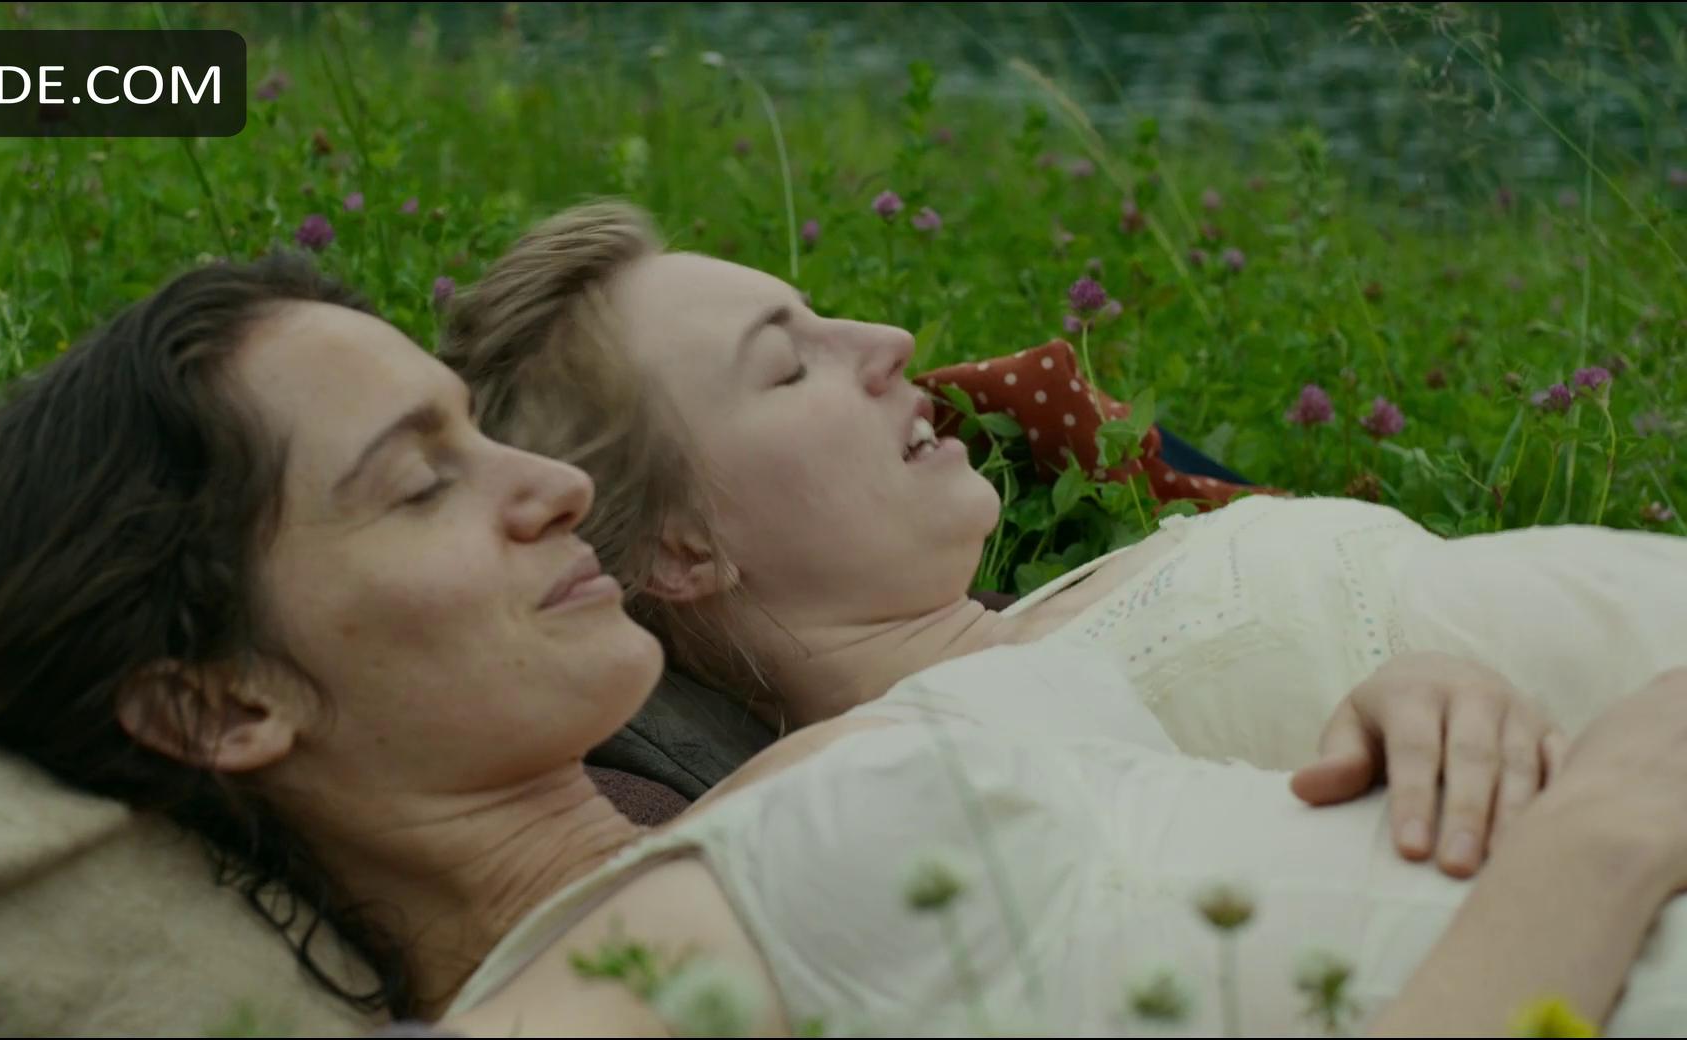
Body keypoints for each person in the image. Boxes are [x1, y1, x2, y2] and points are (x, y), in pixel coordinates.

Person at [0, 253, 1687, 1036]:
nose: (551, 492)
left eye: (487, 435)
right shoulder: (589, 997)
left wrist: (1403, 711)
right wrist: (1598, 843)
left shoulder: (751, 815)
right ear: (220, 705)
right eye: (420, 485)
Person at [436, 200, 1687, 880]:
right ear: (681, 551)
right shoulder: (905, 776)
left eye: (825, 315)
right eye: (788, 364)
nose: (889, 342)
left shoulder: (1076, 595)